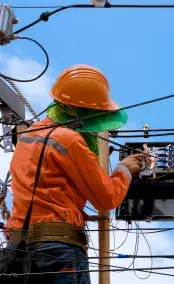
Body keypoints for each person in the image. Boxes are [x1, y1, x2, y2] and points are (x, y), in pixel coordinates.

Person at [3, 64, 144, 283]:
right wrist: (124, 169)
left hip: (19, 251)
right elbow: (106, 198)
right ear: (85, 111)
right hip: (58, 250)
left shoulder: (28, 136)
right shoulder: (70, 141)